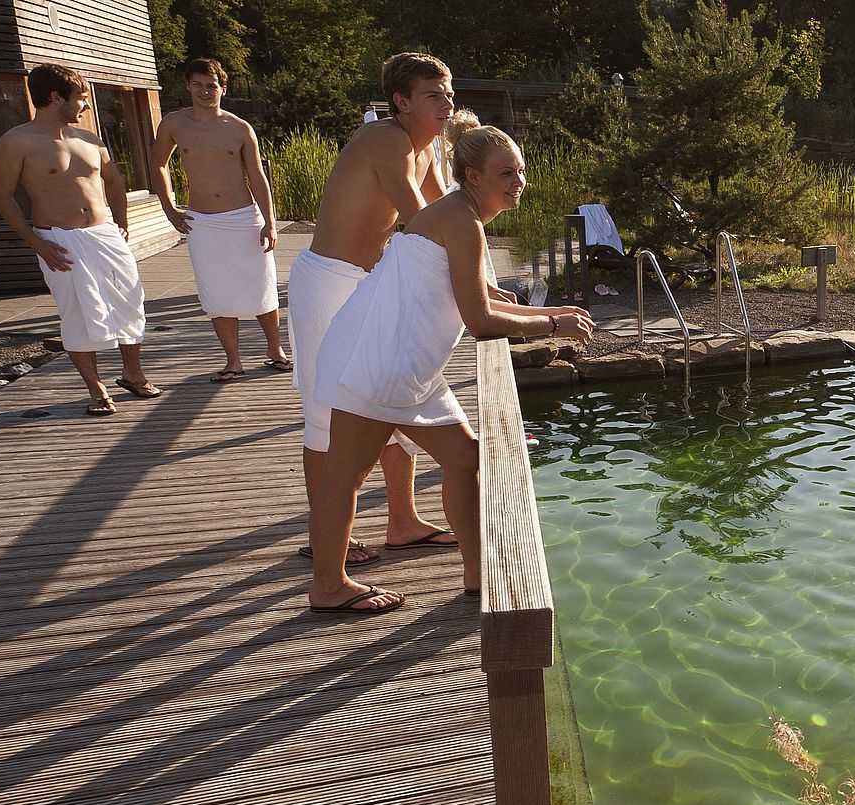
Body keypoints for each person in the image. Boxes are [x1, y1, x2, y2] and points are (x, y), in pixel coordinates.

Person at [306, 119, 593, 613]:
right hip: (380, 360)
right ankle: (328, 585)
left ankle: (478, 570)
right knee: (345, 477)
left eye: (520, 172)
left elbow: (479, 296)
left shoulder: (459, 216)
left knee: (464, 459)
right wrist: (550, 328)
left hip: (407, 362)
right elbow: (480, 319)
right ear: (472, 176)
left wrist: (550, 313)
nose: (517, 182)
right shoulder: (461, 220)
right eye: (506, 173)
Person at [287, 52, 485, 567]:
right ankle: (322, 537)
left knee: (392, 397)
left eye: (449, 94)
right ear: (401, 102)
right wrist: (470, 286)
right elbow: (423, 222)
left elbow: (454, 209)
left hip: (372, 282)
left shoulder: (431, 146)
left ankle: (403, 521)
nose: (446, 104)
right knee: (327, 414)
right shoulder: (384, 140)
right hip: (329, 282)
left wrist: (485, 282)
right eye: (433, 95)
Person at [0, 63, 160, 416]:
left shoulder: (89, 140)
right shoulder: (17, 141)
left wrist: (121, 224)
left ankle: (132, 373)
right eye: (81, 98)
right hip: (59, 240)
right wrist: (37, 243)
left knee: (129, 303)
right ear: (55, 98)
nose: (87, 106)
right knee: (77, 311)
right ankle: (96, 388)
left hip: (105, 235)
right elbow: (1, 196)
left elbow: (114, 182)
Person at [151, 56, 290, 383]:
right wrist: (169, 208)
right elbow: (158, 165)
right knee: (215, 293)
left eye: (211, 86)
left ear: (222, 88)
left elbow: (257, 176)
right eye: (197, 85)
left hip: (244, 218)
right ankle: (233, 361)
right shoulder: (174, 124)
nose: (204, 91)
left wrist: (269, 220)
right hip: (202, 222)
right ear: (188, 86)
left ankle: (275, 350)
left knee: (262, 285)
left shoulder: (240, 128)